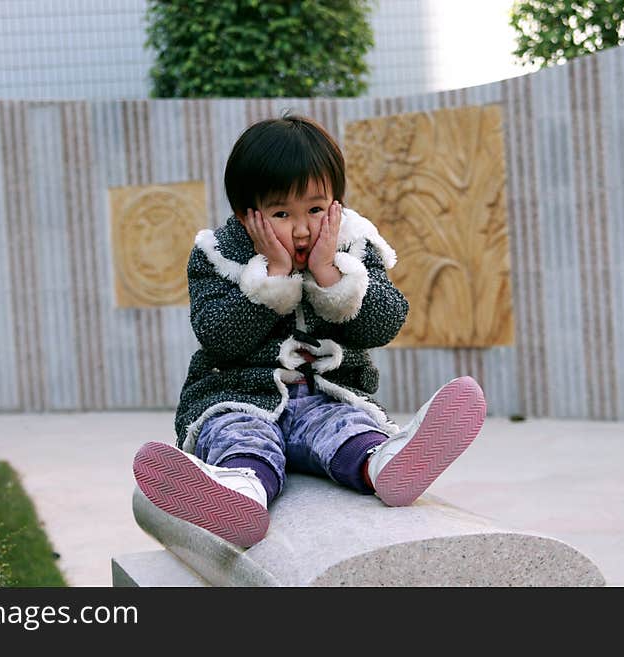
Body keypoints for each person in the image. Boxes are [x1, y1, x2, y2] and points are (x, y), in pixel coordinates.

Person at [132, 113, 486, 548]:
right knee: (240, 438)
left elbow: (385, 322)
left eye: (316, 209)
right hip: (240, 396)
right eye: (282, 213)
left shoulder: (352, 245)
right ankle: (240, 494)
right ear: (248, 215)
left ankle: (384, 465)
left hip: (326, 394)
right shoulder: (218, 254)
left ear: (336, 204)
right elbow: (217, 335)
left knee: (347, 427)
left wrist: (330, 277)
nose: (302, 229)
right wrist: (274, 280)